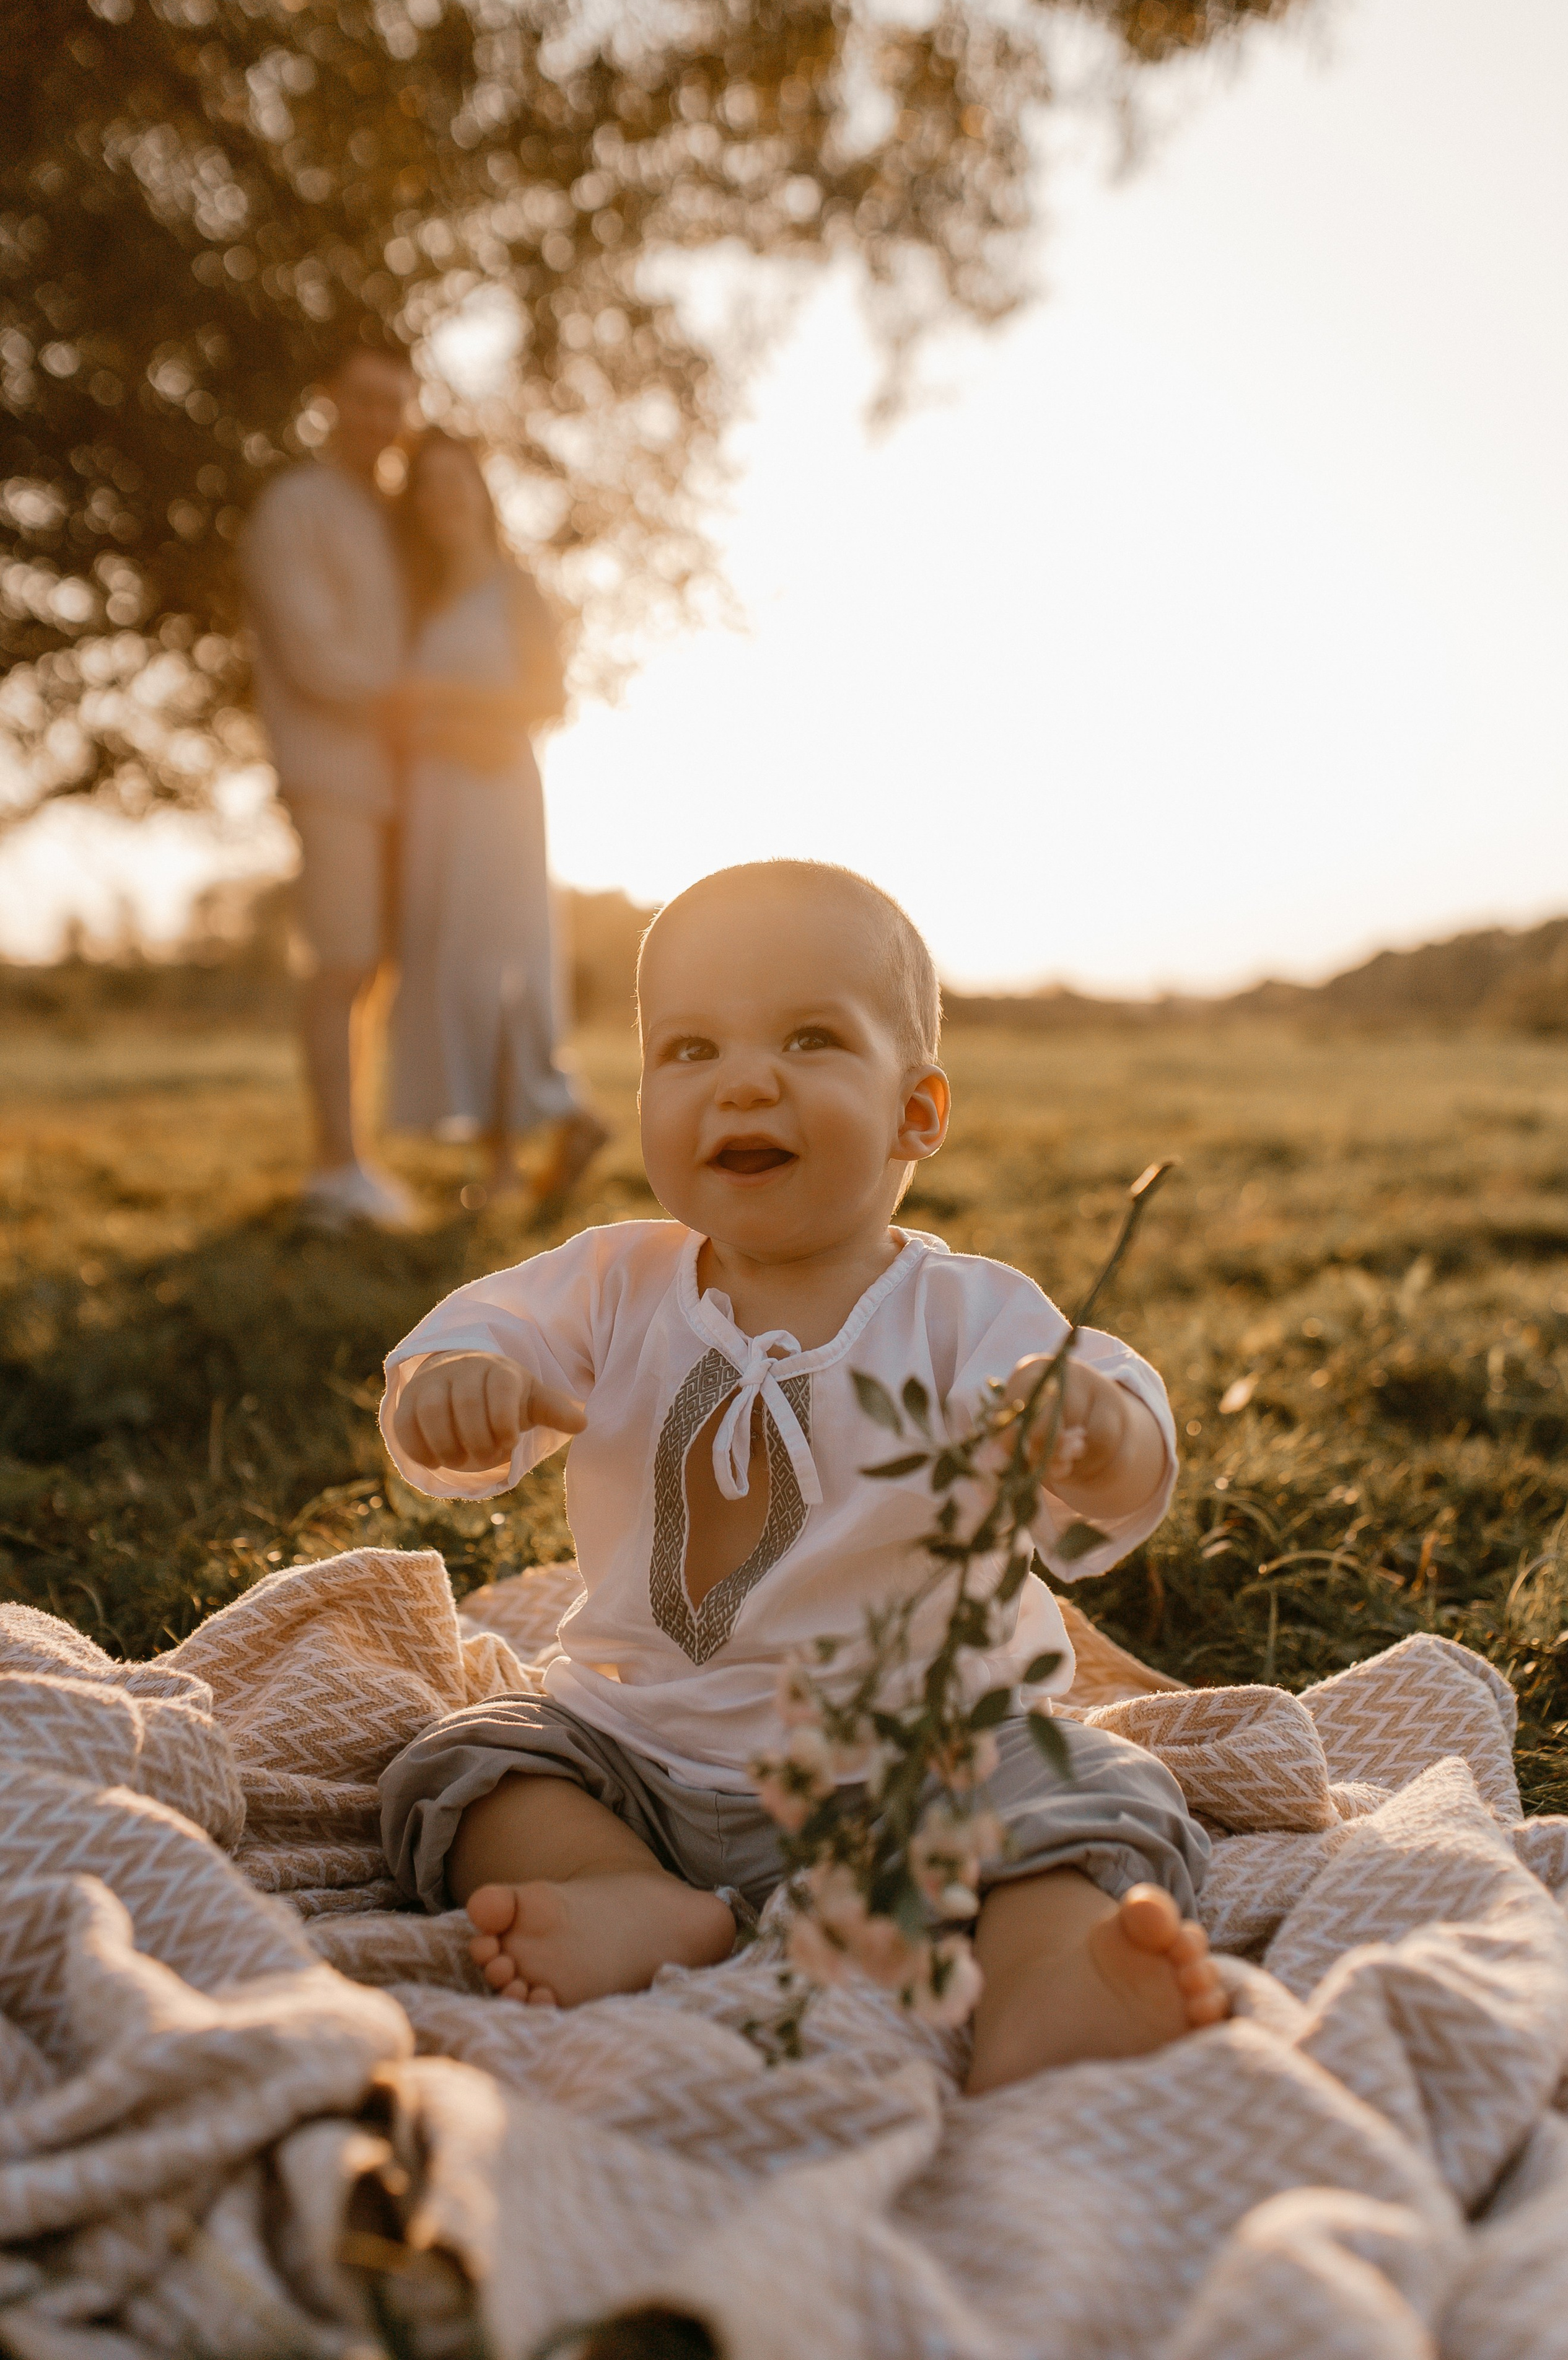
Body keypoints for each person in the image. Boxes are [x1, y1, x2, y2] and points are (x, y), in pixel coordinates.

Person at [375, 861, 1225, 2095]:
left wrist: (1093, 1434)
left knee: (1091, 1786)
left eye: (809, 1038)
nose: (743, 1080)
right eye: (688, 1050)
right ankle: (620, 1891)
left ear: (916, 1112)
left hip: (927, 1768)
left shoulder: (957, 1312)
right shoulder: (616, 1285)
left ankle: (1047, 1968)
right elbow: (476, 1334)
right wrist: (453, 1383)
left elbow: (1112, 1417)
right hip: (643, 1756)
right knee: (461, 1764)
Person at [382, 431, 608, 1212]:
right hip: (434, 804)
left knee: (503, 967)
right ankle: (503, 1162)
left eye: (455, 482)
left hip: (496, 794)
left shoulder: (515, 589)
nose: (442, 500)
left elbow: (550, 698)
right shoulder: (424, 598)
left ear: (481, 493)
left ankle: (569, 1116)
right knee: (456, 968)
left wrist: (442, 704)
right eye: (426, 487)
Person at [239, 340, 420, 1231]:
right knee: (342, 959)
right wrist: (422, 699)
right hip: (330, 770)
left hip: (402, 780)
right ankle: (332, 1168)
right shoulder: (294, 507)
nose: (380, 419)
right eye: (365, 399)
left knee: (373, 968)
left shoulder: (392, 516)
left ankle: (356, 1157)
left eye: (396, 403)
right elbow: (313, 657)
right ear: (328, 401)